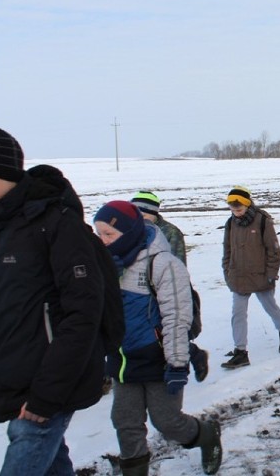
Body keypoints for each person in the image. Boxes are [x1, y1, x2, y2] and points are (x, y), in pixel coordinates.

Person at [0, 129, 108, 476]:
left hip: (49, 387)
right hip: (14, 382)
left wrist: (48, 393)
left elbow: (84, 311)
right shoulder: (1, 228)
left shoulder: (53, 225)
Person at [94, 201, 222, 475]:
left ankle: (206, 434)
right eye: (99, 234)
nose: (103, 242)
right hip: (122, 360)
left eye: (109, 235)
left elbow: (177, 317)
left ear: (128, 233)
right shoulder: (105, 265)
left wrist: (177, 364)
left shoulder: (162, 264)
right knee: (125, 422)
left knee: (167, 421)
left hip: (158, 358)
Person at [131, 190, 209, 383]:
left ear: (153, 212)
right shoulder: (132, 230)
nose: (139, 217)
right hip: (139, 292)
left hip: (164, 291)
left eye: (143, 212)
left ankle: (190, 358)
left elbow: (177, 265)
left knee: (167, 330)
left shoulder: (170, 232)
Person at [221, 186, 280, 369]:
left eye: (239, 208)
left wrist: (271, 274)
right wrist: (227, 272)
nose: (236, 212)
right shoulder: (230, 224)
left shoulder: (262, 221)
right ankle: (240, 352)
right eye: (232, 208)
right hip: (238, 277)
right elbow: (227, 250)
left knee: (270, 307)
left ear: (247, 204)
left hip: (261, 277)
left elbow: (274, 250)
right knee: (238, 313)